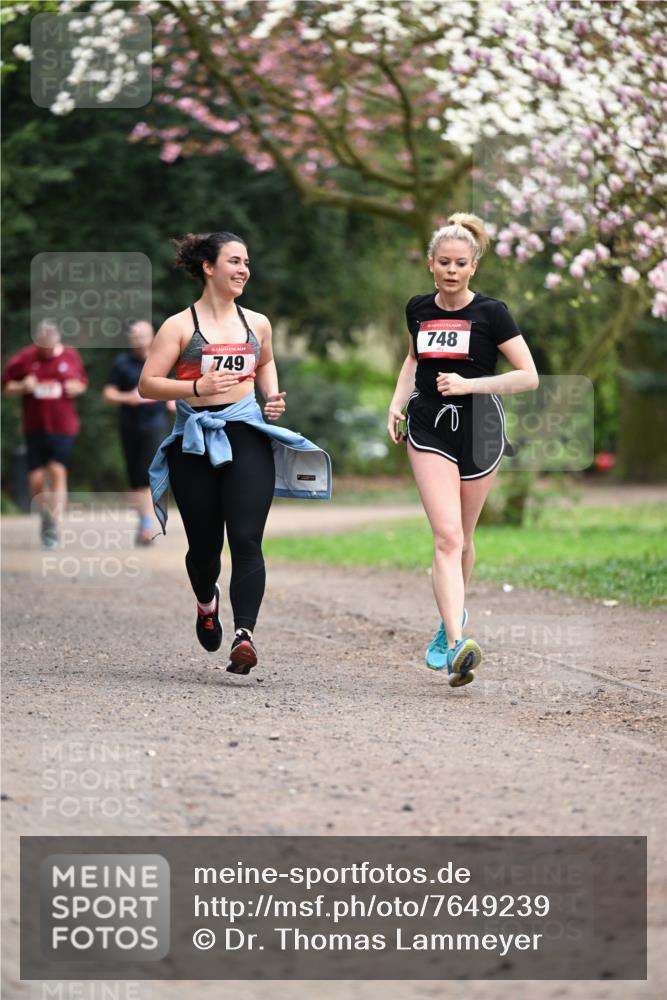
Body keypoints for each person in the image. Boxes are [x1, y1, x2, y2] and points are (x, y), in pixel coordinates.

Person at [139, 231, 331, 675]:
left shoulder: (256, 323)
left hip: (246, 434)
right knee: (205, 547)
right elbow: (148, 383)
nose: (244, 269)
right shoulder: (180, 326)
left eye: (247, 262)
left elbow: (264, 361)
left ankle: (244, 636)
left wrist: (271, 396)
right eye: (235, 261)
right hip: (195, 441)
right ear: (209, 267)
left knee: (246, 538)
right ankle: (207, 602)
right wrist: (194, 387)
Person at [387, 213, 539, 687]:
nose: (452, 270)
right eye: (444, 262)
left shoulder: (493, 313)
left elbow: (527, 375)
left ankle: (448, 619)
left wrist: (473, 383)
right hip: (429, 424)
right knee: (447, 538)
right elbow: (413, 358)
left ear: (473, 266)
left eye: (461, 263)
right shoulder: (417, 308)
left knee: (465, 539)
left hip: (481, 427)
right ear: (431, 265)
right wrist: (396, 405)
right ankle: (457, 645)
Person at [2, 320, 88, 547]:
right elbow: (6, 387)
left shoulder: (70, 356)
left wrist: (76, 388)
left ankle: (53, 525)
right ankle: (45, 517)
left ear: (58, 339)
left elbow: (82, 383)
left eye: (51, 343)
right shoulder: (25, 358)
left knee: (58, 471)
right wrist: (22, 387)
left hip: (63, 427)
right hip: (34, 428)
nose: (47, 349)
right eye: (42, 344)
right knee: (36, 480)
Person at [102, 320, 172, 545]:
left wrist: (174, 398)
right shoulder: (122, 363)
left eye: (143, 334)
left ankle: (147, 525)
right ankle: (144, 520)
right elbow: (108, 394)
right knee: (135, 479)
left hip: (156, 422)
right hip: (129, 425)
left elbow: (177, 384)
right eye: (134, 335)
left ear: (152, 336)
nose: (139, 339)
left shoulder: (163, 357)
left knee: (146, 473)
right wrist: (128, 397)